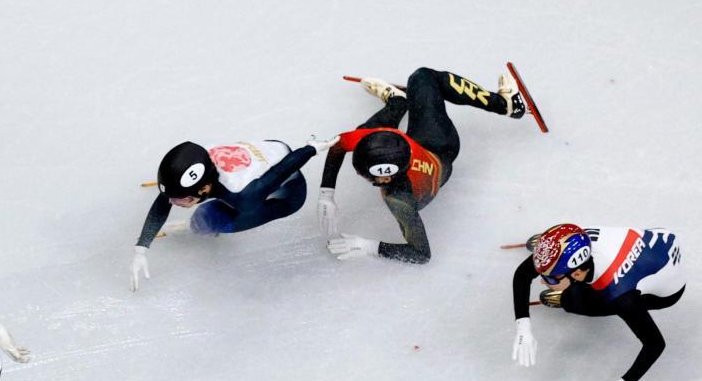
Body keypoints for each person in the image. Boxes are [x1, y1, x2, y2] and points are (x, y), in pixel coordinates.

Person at [318, 67, 526, 264]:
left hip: (439, 150)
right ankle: (399, 102)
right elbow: (340, 145)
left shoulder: (399, 201)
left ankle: (398, 103)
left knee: (374, 119)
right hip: (433, 144)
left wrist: (369, 247)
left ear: (383, 178)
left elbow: (421, 254)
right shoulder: (381, 144)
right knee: (422, 77)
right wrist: (326, 195)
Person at [511, 224, 685, 381]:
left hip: (666, 292)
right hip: (656, 245)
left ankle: (566, 298)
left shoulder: (621, 293)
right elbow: (523, 275)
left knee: (579, 298)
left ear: (576, 273)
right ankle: (552, 260)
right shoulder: (575, 239)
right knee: (570, 273)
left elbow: (655, 344)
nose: (543, 281)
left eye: (551, 278)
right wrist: (523, 326)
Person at [130, 136, 339, 291]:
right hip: (274, 147)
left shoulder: (243, 192)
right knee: (216, 203)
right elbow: (163, 203)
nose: (174, 204)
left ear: (204, 189)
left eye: (181, 199)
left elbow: (279, 172)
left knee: (208, 217)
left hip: (288, 196)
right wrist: (141, 248)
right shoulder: (204, 156)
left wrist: (310, 150)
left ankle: (199, 226)